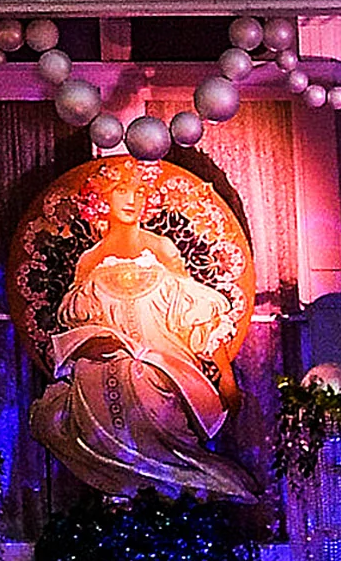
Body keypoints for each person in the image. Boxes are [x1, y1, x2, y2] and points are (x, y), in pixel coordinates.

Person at [41, 200, 261, 501]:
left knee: (170, 449)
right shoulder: (90, 261)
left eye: (137, 191)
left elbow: (198, 316)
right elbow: (73, 328)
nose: (129, 199)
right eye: (120, 190)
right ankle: (123, 502)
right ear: (101, 199)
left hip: (164, 377)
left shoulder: (163, 251)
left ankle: (171, 504)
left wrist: (226, 378)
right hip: (103, 384)